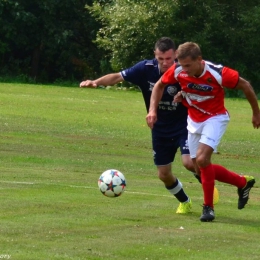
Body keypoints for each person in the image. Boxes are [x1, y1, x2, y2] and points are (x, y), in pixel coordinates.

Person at [80, 37, 218, 214]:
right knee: (163, 174)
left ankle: (208, 188)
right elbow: (117, 77)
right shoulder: (145, 69)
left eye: (169, 59)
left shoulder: (183, 70)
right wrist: (96, 82)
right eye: (161, 59)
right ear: (155, 55)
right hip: (159, 129)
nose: (165, 63)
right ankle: (185, 201)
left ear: (175, 55)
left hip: (184, 125)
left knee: (189, 163)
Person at [146, 41, 260, 222]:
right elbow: (159, 85)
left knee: (202, 159)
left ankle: (208, 208)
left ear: (199, 60)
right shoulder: (178, 70)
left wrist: (256, 112)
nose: (184, 69)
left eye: (188, 65)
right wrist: (153, 110)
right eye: (181, 65)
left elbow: (245, 85)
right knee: (197, 168)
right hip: (194, 120)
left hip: (215, 118)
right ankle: (242, 182)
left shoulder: (218, 73)